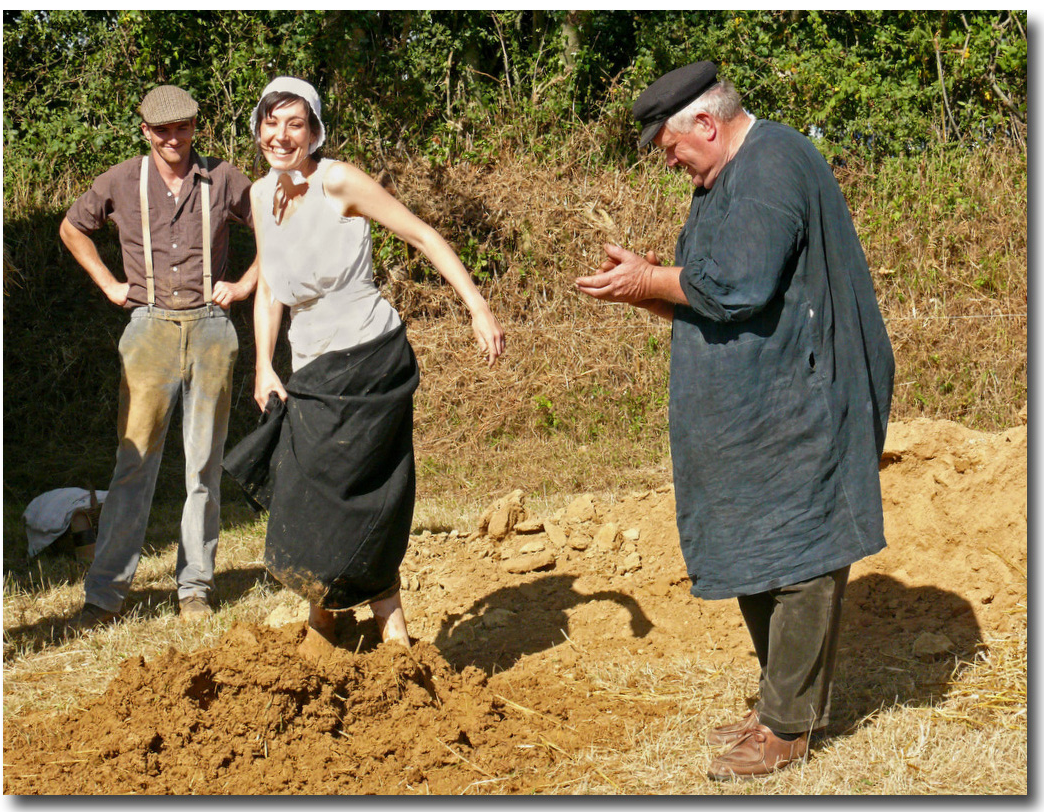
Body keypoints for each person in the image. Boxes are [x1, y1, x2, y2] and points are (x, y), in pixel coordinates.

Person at [575, 61, 894, 780]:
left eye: (671, 148)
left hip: (804, 397)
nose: (672, 163)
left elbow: (740, 283)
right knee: (758, 542)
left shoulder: (773, 162)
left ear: (707, 126)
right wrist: (644, 290)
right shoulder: (719, 181)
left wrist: (650, 280)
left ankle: (789, 727)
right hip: (761, 404)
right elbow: (712, 299)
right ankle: (777, 703)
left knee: (802, 554)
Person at [223, 76, 504, 648]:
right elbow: (271, 288)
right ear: (257, 129)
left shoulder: (339, 181)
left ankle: (381, 629)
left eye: (294, 124)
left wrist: (477, 305)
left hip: (370, 357)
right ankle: (331, 614)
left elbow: (422, 234)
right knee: (310, 489)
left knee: (361, 488)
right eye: (271, 123)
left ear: (314, 131)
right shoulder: (258, 196)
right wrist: (264, 366)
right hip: (312, 367)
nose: (281, 136)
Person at [60, 84, 259, 629]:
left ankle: (195, 588)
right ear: (145, 131)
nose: (174, 138)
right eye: (162, 130)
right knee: (133, 467)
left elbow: (275, 223)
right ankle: (104, 597)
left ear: (197, 127)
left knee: (203, 469)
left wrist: (243, 284)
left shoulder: (223, 177)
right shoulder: (121, 179)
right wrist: (107, 282)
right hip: (147, 330)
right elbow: (72, 227)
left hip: (212, 329)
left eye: (183, 128)